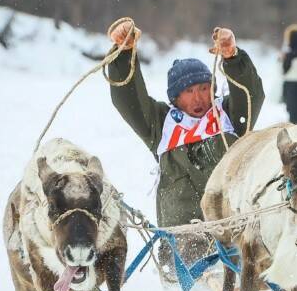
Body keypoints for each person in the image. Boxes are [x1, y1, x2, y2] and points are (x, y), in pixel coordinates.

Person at [104, 20, 265, 238]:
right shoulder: (161, 125)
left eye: (204, 88)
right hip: (182, 239)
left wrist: (232, 58)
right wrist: (124, 54)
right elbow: (128, 100)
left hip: (233, 234)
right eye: (188, 91)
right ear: (175, 98)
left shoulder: (229, 115)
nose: (198, 97)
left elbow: (251, 94)